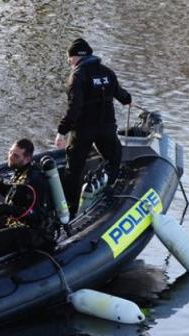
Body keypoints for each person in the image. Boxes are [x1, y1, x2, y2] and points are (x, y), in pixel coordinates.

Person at [54, 38, 131, 218]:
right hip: (106, 128)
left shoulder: (78, 75)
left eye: (69, 59)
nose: (69, 63)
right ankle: (107, 194)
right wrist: (128, 100)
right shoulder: (107, 72)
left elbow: (75, 107)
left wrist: (61, 131)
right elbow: (122, 95)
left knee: (73, 169)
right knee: (114, 159)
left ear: (75, 57)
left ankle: (71, 210)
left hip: (83, 130)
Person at [0, 139, 53, 256]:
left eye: (16, 155)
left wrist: (9, 210)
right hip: (17, 221)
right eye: (10, 152)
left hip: (34, 231)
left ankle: (12, 261)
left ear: (27, 159)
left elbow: (38, 216)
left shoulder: (35, 180)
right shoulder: (19, 171)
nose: (10, 157)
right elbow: (14, 193)